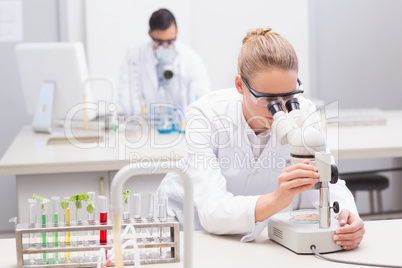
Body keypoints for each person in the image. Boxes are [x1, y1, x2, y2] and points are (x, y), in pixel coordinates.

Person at [157, 26, 365, 249]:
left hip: (257, 237)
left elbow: (328, 181)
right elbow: (212, 210)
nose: (282, 110)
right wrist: (277, 199)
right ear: (240, 86)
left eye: (289, 97)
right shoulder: (206, 114)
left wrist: (348, 217)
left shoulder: (304, 112)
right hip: (188, 229)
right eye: (269, 100)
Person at [118, 8, 210, 116]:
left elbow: (201, 99)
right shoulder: (134, 55)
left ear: (176, 32)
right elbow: (127, 96)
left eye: (170, 41)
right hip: (147, 125)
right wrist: (140, 121)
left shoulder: (192, 60)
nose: (165, 47)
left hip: (181, 126)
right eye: (159, 42)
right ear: (150, 34)